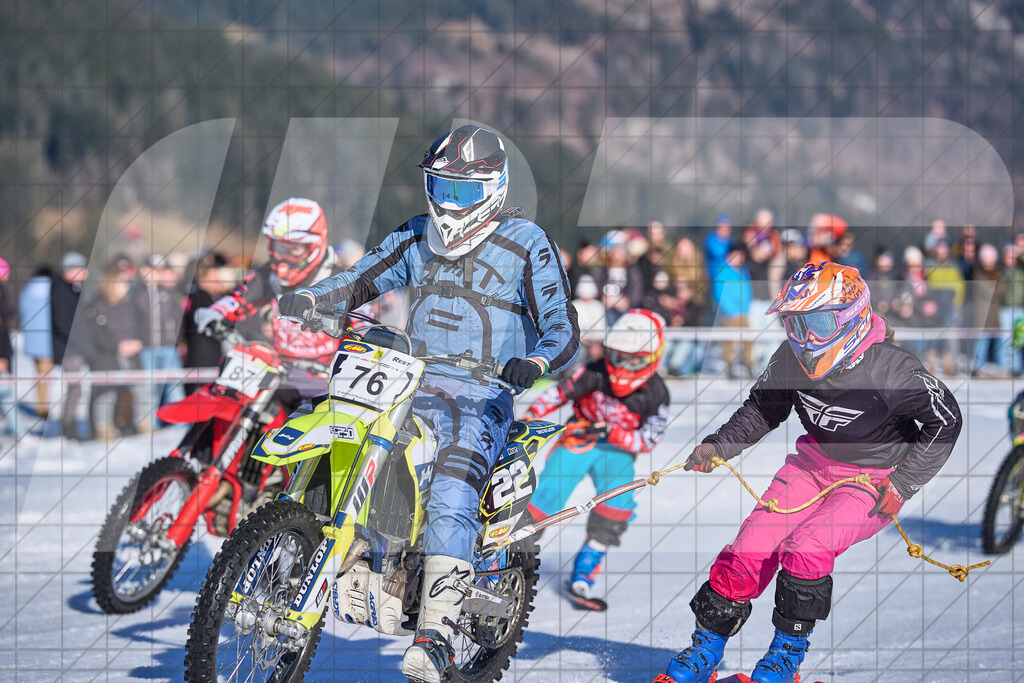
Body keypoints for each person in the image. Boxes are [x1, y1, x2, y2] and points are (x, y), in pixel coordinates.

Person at [278, 124, 579, 683]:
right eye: (440, 187)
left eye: (462, 191)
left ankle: (436, 635)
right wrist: (313, 297)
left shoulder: (528, 242)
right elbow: (362, 277)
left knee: (449, 490)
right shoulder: (417, 234)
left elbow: (561, 326)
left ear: (494, 187)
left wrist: (535, 363)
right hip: (406, 379)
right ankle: (303, 554)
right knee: (337, 441)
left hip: (482, 395)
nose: (449, 203)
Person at [655, 261, 962, 683]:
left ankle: (785, 658)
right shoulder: (790, 357)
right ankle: (705, 648)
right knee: (749, 547)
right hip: (812, 466)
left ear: (850, 318)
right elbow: (763, 409)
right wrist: (720, 445)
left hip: (873, 481)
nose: (805, 337)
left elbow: (945, 420)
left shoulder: (892, 368)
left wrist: (904, 482)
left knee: (808, 548)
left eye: (817, 323)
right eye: (795, 324)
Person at [522, 310, 668, 609]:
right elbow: (558, 393)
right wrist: (532, 414)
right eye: (618, 356)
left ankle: (585, 569)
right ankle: (512, 555)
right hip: (578, 440)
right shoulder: (594, 370)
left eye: (634, 360)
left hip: (616, 452)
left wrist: (611, 432)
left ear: (652, 357)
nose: (622, 366)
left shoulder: (656, 393)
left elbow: (649, 440)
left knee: (617, 505)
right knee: (547, 495)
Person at [193, 197, 350, 408]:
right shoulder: (268, 275)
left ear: (315, 245)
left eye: (294, 249)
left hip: (325, 381)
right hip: (279, 372)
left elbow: (365, 324)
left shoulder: (342, 280)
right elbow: (240, 297)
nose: (284, 256)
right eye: (279, 246)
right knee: (235, 405)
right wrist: (217, 311)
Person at [81, 262, 144, 439]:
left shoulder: (130, 306)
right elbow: (96, 335)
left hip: (131, 356)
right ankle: (103, 428)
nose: (127, 286)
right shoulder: (94, 308)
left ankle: (141, 424)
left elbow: (141, 327)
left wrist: (138, 342)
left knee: (140, 389)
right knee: (106, 393)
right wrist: (117, 346)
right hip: (105, 358)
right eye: (122, 282)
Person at [133, 254, 186, 427]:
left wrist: (177, 342)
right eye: (152, 269)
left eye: (158, 270)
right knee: (149, 388)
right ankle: (150, 424)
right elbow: (132, 320)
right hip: (146, 349)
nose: (154, 274)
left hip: (168, 349)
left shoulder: (170, 294)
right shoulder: (136, 294)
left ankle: (178, 423)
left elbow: (178, 320)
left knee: (174, 387)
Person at [51, 252, 89, 439]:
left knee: (76, 389)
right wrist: (81, 342)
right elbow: (64, 323)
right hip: (68, 349)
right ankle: (69, 427)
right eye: (81, 269)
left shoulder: (71, 289)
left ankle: (70, 426)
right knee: (75, 389)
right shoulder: (60, 291)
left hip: (71, 347)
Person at [711, 242, 754, 378]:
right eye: (738, 255)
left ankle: (748, 365)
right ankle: (729, 367)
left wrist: (746, 308)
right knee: (730, 341)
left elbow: (748, 290)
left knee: (748, 340)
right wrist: (731, 311)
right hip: (730, 314)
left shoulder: (743, 271)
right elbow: (719, 293)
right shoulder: (722, 271)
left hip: (744, 312)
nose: (741, 258)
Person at [17, 266, 54, 420]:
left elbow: (22, 310)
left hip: (32, 339)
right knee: (45, 376)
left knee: (38, 373)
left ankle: (41, 405)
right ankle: (42, 408)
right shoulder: (52, 288)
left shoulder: (28, 288)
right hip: (48, 339)